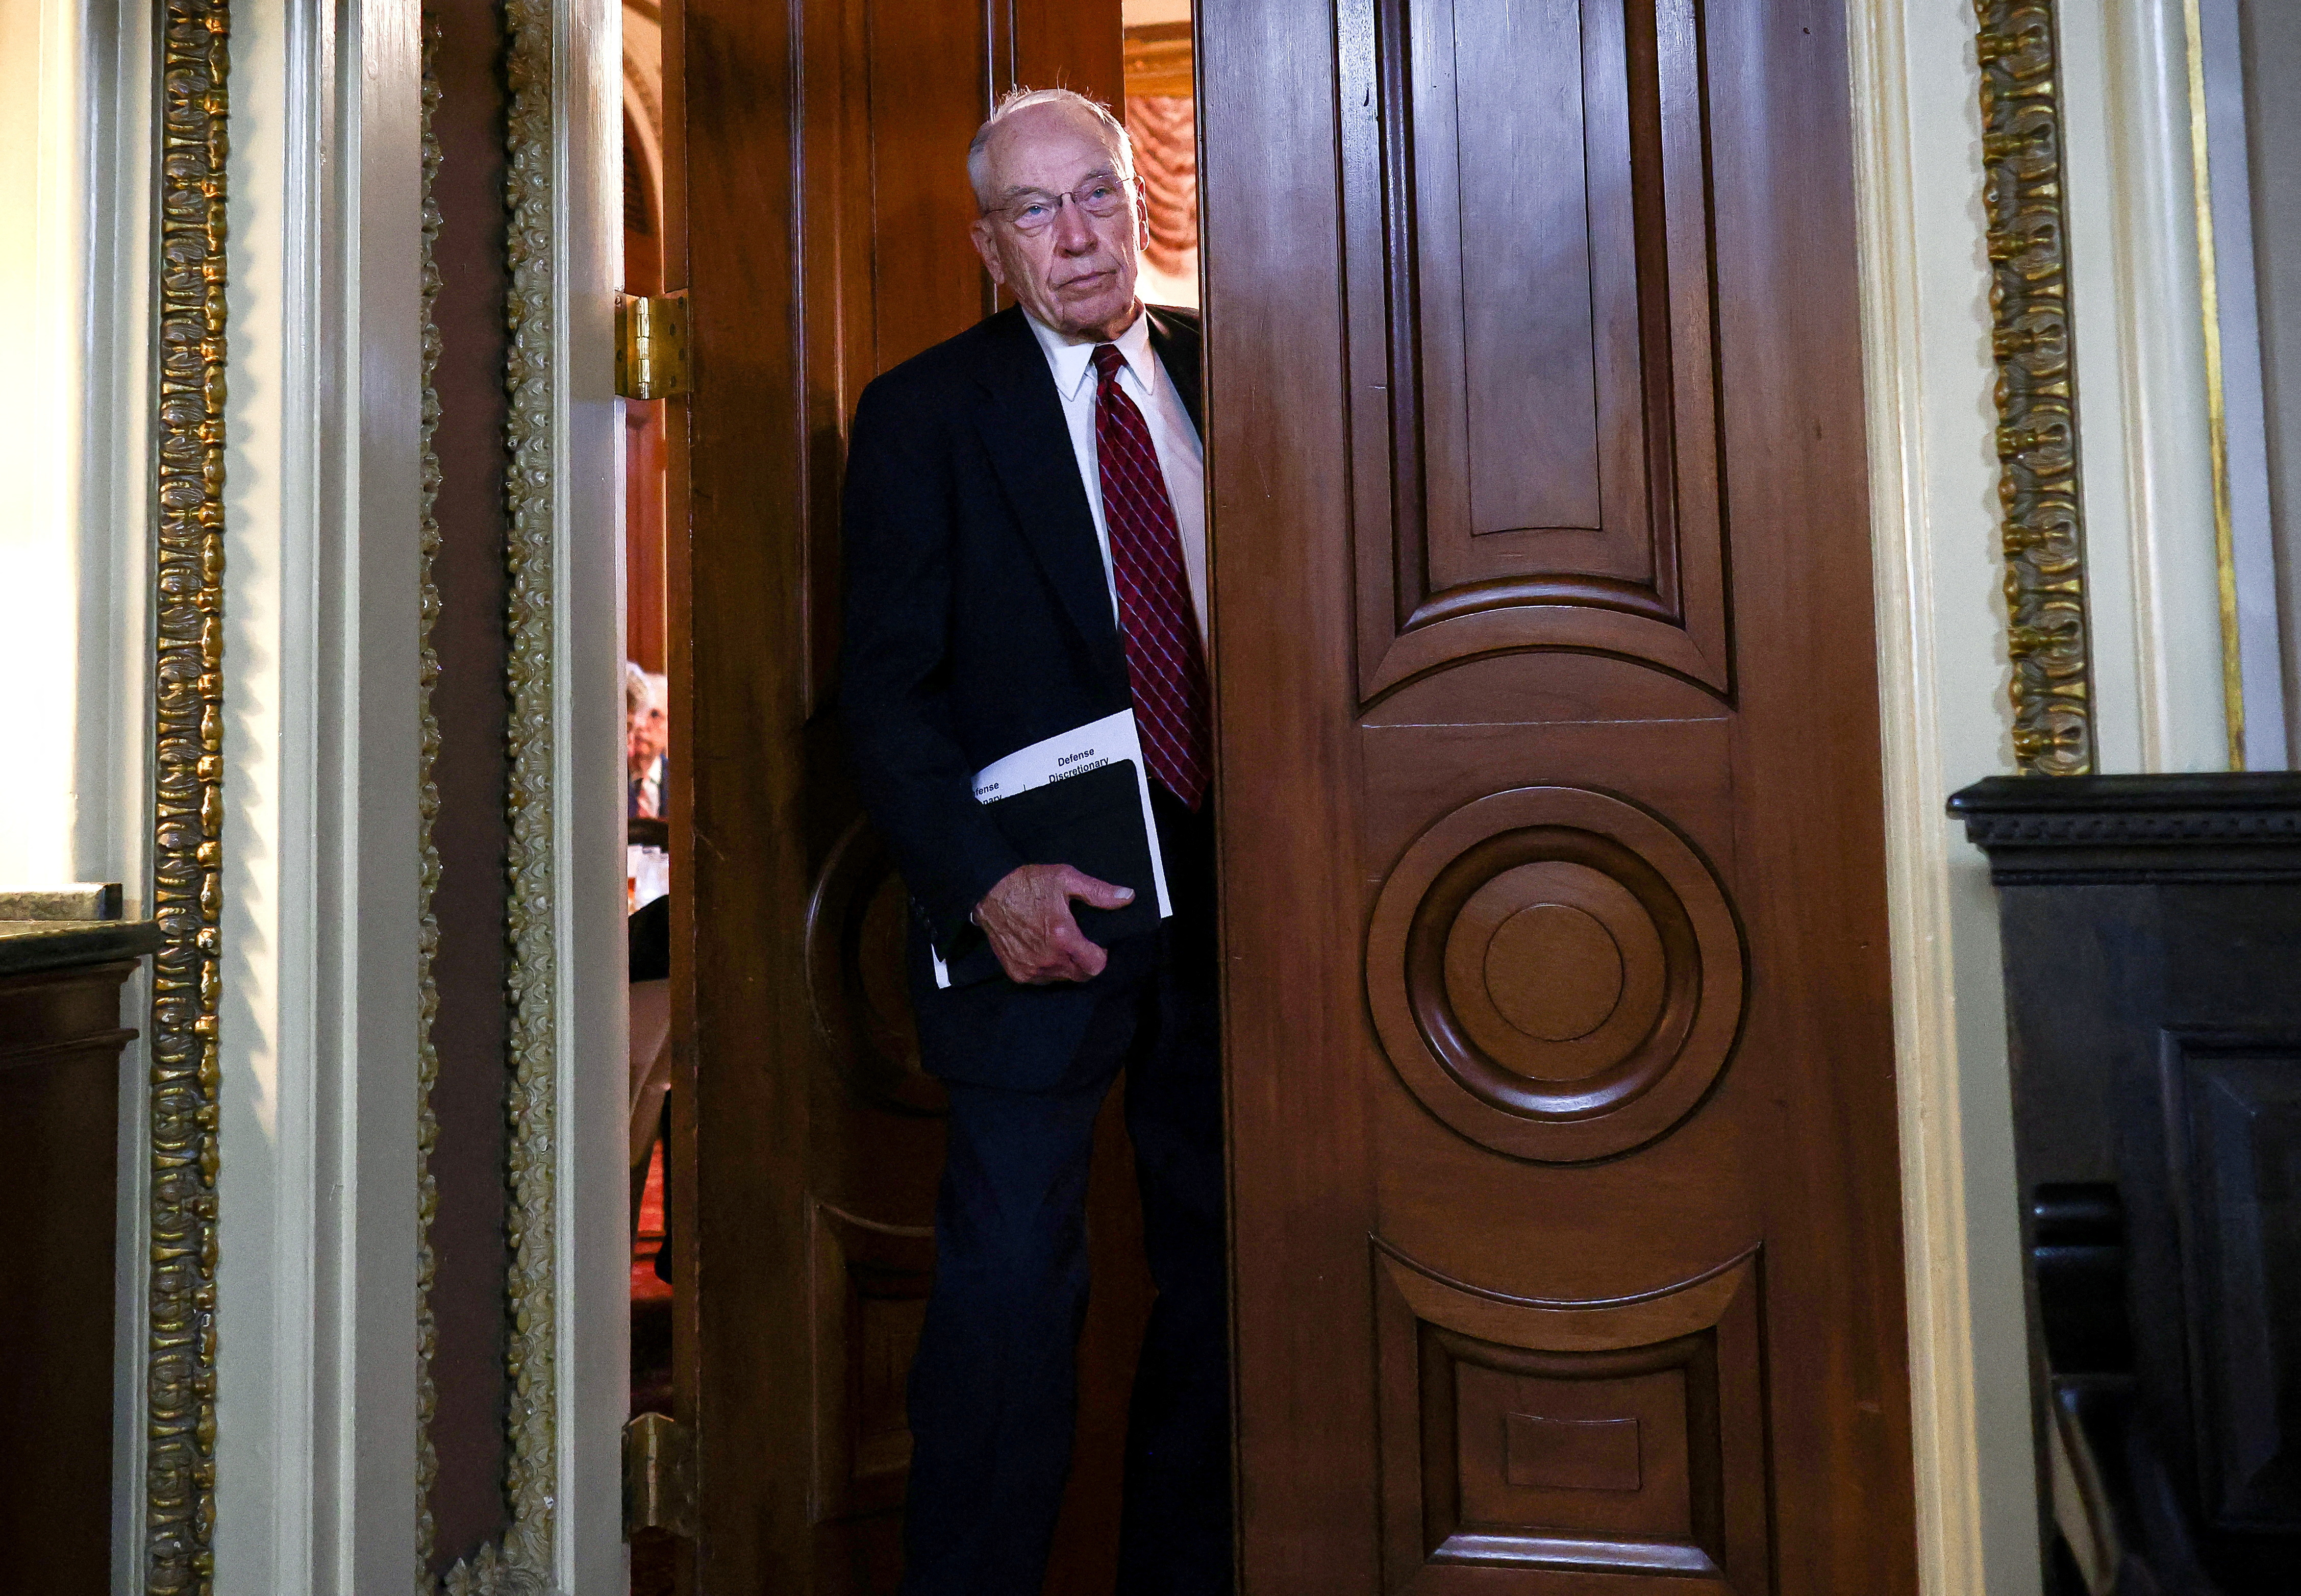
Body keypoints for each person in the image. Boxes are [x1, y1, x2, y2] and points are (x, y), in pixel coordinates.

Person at [837, 86, 1226, 1596]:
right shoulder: (927, 413)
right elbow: (885, 697)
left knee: (1221, 1296)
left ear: (1142, 204)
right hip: (1034, 925)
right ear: (989, 244)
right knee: (1005, 1307)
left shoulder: (1228, 372)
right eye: (1038, 211)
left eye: (1103, 198)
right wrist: (988, 884)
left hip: (1234, 921)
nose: (1080, 237)